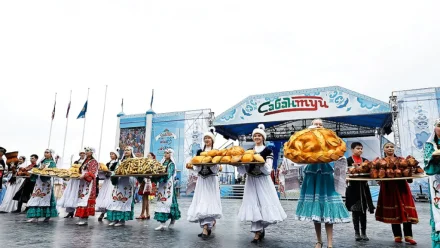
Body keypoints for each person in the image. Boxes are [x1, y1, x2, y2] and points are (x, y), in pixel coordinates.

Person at [295, 122, 350, 248]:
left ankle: (330, 243)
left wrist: (340, 159)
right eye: (315, 124)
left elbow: (339, 154)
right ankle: (319, 240)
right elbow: (299, 158)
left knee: (328, 210)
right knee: (316, 211)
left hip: (325, 174)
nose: (318, 126)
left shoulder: (329, 140)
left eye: (320, 124)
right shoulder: (306, 142)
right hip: (312, 174)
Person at [237, 124, 287, 244]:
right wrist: (239, 164)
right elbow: (243, 170)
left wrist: (260, 162)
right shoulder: (249, 151)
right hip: (251, 181)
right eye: (255, 135)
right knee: (253, 204)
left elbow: (268, 170)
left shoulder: (268, 151)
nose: (257, 137)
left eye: (259, 135)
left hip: (263, 181)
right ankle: (257, 233)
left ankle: (261, 227)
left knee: (264, 204)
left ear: (263, 138)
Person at [375, 142, 418, 245]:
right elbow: (377, 177)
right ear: (384, 150)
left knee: (406, 209)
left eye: (391, 147)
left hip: (402, 187)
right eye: (387, 147)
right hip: (388, 188)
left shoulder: (402, 159)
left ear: (394, 149)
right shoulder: (380, 161)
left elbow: (408, 175)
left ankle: (408, 236)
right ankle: (397, 236)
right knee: (394, 211)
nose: (390, 148)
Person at [187, 127, 223, 239]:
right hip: (202, 180)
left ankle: (206, 228)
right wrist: (194, 165)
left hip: (211, 180)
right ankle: (205, 226)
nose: (207, 140)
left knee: (209, 201)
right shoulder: (199, 152)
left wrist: (211, 164)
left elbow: (216, 170)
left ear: (212, 140)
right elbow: (197, 169)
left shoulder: (216, 152)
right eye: (205, 138)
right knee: (201, 201)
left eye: (209, 138)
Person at [345, 142, 375, 241]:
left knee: (363, 211)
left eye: (361, 148)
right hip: (353, 189)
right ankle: (357, 233)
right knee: (355, 211)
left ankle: (364, 233)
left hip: (364, 188)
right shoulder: (348, 160)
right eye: (358, 148)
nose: (360, 150)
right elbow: (345, 173)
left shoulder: (365, 161)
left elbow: (370, 173)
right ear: (352, 149)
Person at [26, 149, 59, 222]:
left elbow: (53, 171)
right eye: (45, 152)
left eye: (47, 152)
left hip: (46, 183)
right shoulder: (41, 162)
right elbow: (36, 169)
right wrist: (36, 170)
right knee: (36, 197)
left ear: (51, 154)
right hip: (38, 183)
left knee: (45, 198)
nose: (45, 153)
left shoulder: (52, 163)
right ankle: (35, 216)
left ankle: (47, 216)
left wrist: (44, 170)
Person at [152, 148, 181, 231]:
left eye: (167, 153)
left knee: (169, 203)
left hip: (168, 185)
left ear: (171, 154)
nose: (165, 154)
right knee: (161, 202)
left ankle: (172, 220)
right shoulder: (161, 163)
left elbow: (169, 174)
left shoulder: (171, 164)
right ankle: (162, 223)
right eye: (165, 153)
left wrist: (161, 177)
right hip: (161, 186)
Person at [106, 146, 136, 227]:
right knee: (115, 200)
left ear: (131, 151)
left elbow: (136, 171)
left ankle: (122, 220)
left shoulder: (134, 161)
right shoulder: (120, 161)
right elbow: (116, 170)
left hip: (127, 182)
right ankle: (115, 219)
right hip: (119, 182)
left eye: (128, 150)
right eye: (125, 150)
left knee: (124, 200)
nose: (126, 151)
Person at [424, 118, 440, 247]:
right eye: (439, 126)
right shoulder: (430, 145)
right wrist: (434, 158)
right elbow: (427, 166)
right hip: (437, 182)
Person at [74, 147, 99, 226]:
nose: (86, 152)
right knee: (81, 198)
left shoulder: (94, 161)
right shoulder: (85, 161)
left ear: (92, 152)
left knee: (85, 198)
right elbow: (80, 170)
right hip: (82, 182)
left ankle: (84, 218)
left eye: (88, 151)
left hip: (89, 182)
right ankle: (80, 217)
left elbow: (93, 172)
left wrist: (85, 175)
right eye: (86, 151)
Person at [59, 150, 86, 218]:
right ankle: (70, 211)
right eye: (81, 153)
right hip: (74, 179)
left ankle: (80, 212)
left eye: (83, 153)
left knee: (78, 195)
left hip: (81, 180)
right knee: (71, 194)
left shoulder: (87, 162)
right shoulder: (76, 162)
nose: (82, 154)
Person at [96, 149, 119, 221]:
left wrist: (111, 173)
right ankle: (102, 213)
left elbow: (117, 171)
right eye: (110, 154)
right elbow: (104, 170)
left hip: (112, 181)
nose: (111, 155)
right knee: (104, 196)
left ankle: (110, 213)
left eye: (112, 154)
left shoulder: (118, 163)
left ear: (116, 155)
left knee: (110, 196)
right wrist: (104, 173)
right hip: (107, 181)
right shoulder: (107, 163)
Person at [136, 152, 154, 220]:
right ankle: (147, 213)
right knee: (145, 198)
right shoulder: (145, 163)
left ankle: (142, 214)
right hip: (145, 181)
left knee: (145, 198)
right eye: (147, 156)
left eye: (149, 156)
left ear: (152, 157)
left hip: (148, 181)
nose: (147, 157)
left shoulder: (153, 163)